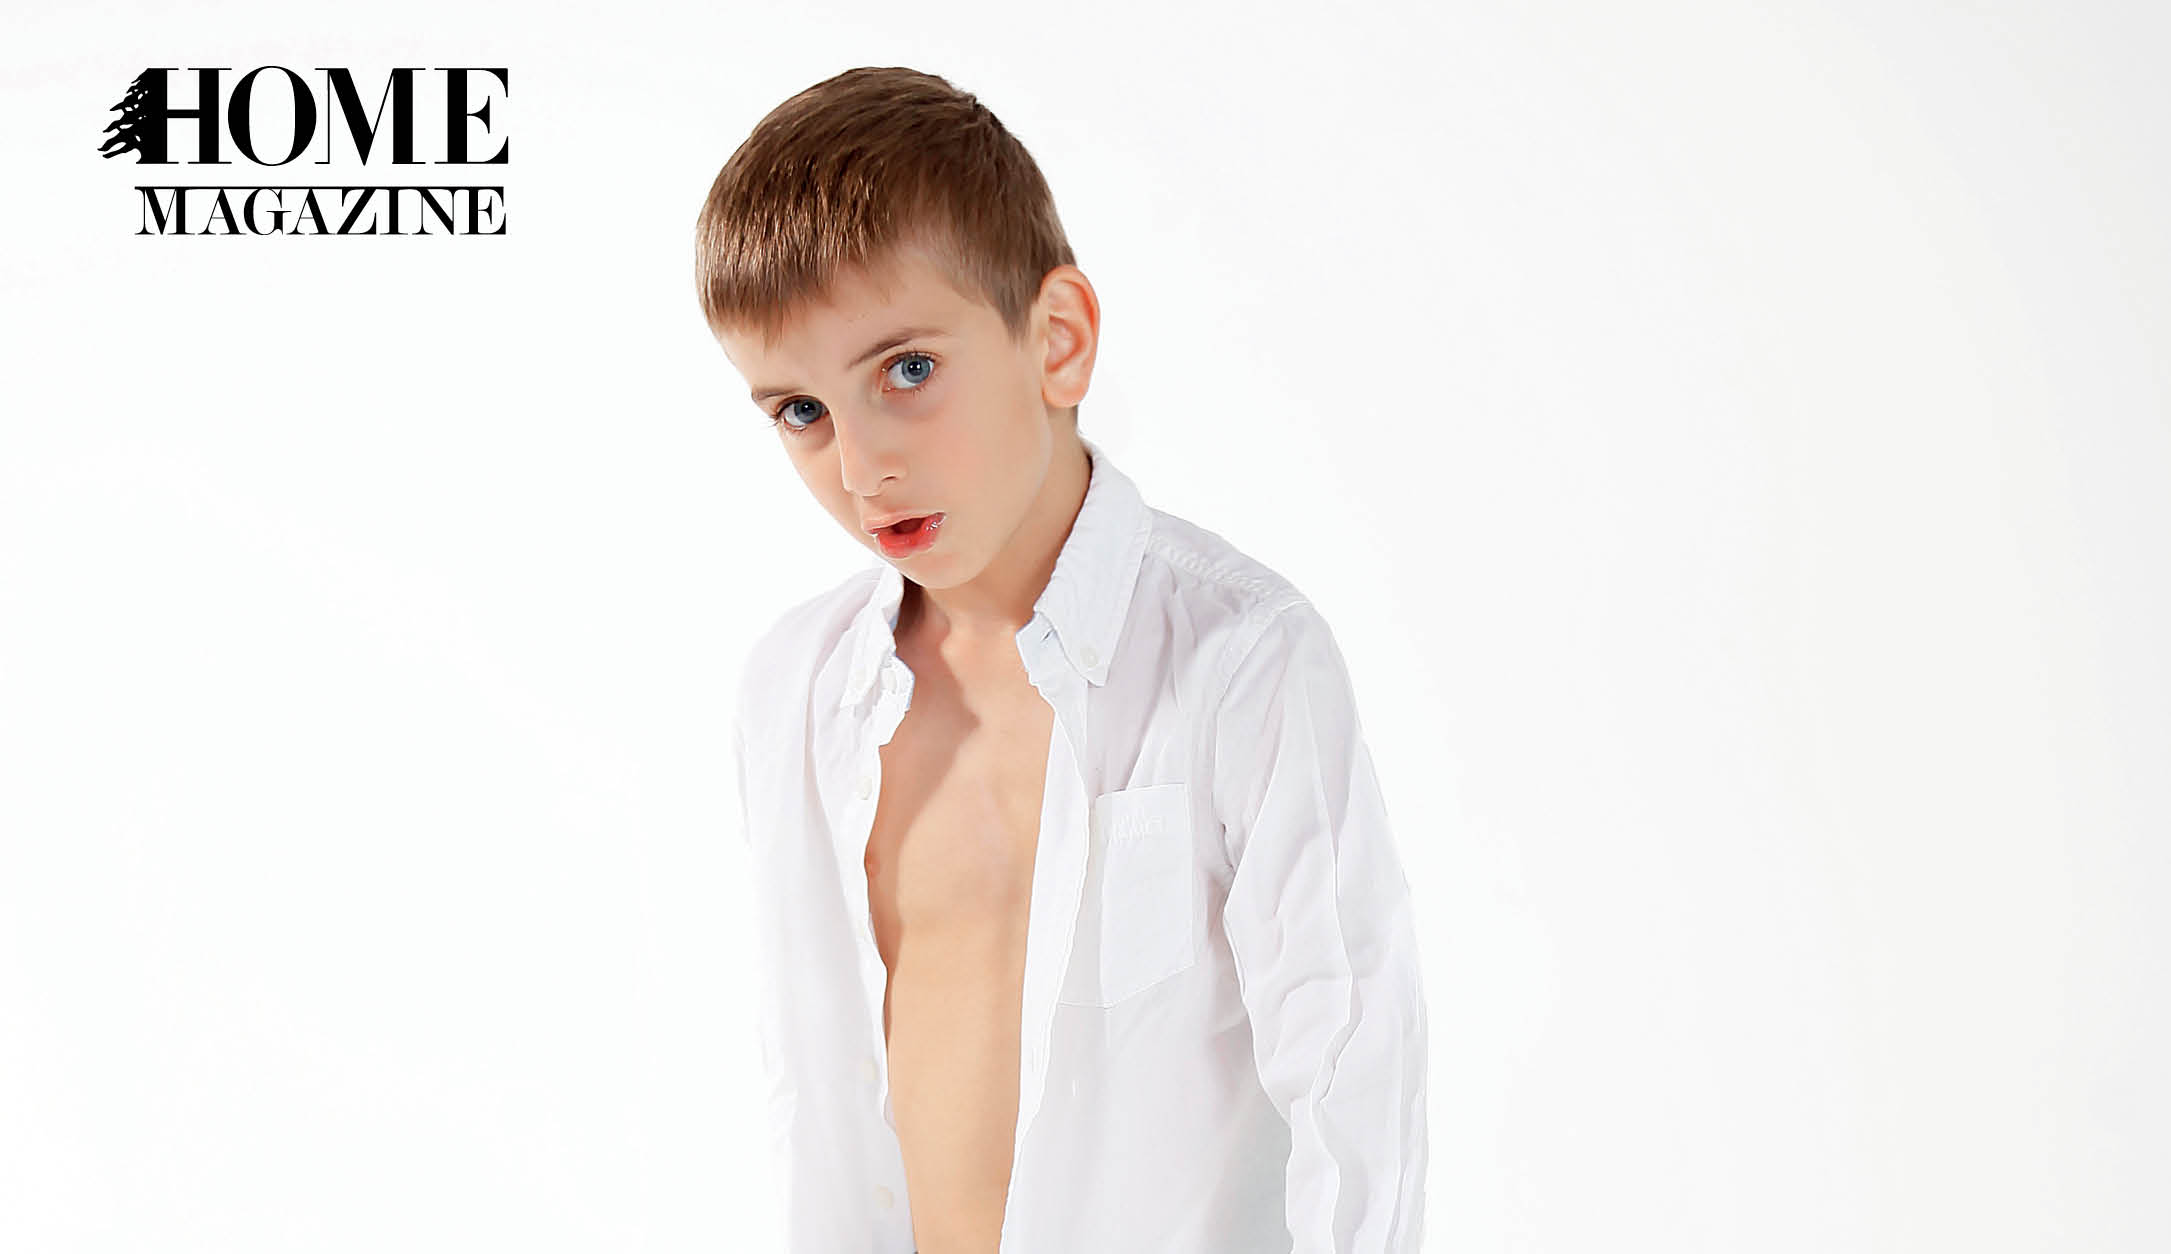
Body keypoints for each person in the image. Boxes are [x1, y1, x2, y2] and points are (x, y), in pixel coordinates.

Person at [696, 66, 1427, 1253]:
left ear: (1058, 341)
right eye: (801, 412)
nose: (862, 466)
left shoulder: (1238, 662)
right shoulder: (795, 690)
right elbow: (814, 1096)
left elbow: (1352, 1091)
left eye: (907, 370)